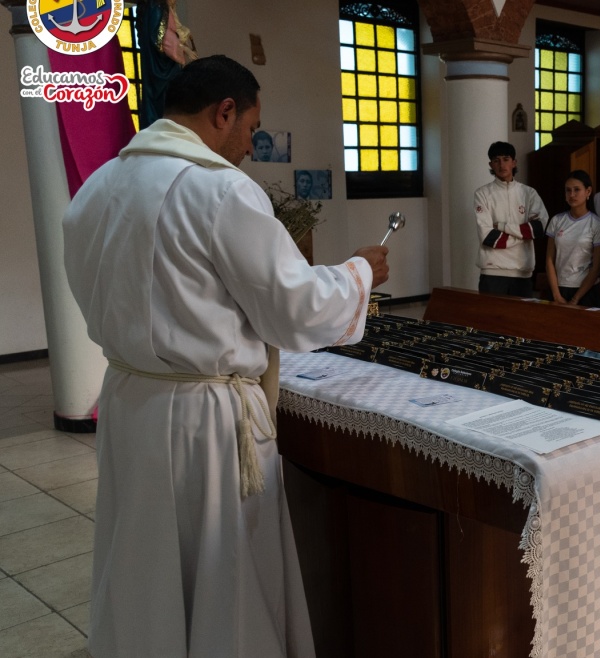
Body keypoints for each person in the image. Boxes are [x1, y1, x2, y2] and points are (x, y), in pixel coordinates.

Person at [60, 55, 391, 658]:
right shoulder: (219, 190)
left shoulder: (98, 187)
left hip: (132, 401)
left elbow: (91, 290)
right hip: (205, 420)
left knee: (144, 560)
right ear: (225, 112)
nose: (249, 146)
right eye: (250, 130)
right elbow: (292, 307)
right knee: (224, 574)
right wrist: (360, 273)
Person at [474, 141, 549, 297]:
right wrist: (523, 235)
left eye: (506, 159)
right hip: (492, 271)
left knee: (521, 321)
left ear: (514, 162)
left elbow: (539, 228)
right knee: (490, 321)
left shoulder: (529, 193)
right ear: (491, 165)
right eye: (496, 160)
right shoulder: (482, 194)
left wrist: (502, 226)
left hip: (522, 272)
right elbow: (489, 237)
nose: (502, 165)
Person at [545, 170, 600, 307]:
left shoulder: (597, 224)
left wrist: (576, 299)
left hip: (586, 291)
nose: (572, 195)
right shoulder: (557, 220)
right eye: (568, 190)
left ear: (588, 191)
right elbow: (549, 259)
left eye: (577, 190)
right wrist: (556, 294)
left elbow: (596, 267)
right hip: (559, 288)